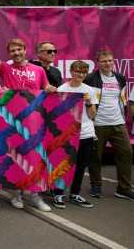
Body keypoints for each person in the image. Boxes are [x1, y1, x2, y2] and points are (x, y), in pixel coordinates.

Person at [0, 12, 54, 212]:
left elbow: (45, 88)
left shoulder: (38, 70)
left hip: (35, 120)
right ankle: (17, 194)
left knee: (35, 157)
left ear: (24, 50)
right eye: (12, 50)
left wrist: (50, 89)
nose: (15, 53)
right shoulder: (5, 69)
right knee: (16, 157)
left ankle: (36, 195)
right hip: (13, 122)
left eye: (18, 49)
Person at [84, 49, 134, 200]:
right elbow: (87, 101)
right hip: (98, 123)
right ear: (98, 63)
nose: (108, 64)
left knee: (126, 154)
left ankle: (123, 188)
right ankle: (96, 185)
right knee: (95, 157)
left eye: (110, 61)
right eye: (104, 61)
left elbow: (123, 98)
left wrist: (125, 115)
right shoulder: (91, 78)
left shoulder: (120, 78)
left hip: (118, 123)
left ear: (113, 62)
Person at [52, 61, 97, 209]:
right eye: (77, 71)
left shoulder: (89, 90)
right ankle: (58, 193)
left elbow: (92, 116)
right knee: (64, 165)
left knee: (80, 166)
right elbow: (57, 114)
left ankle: (75, 194)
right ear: (71, 72)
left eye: (84, 72)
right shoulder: (62, 89)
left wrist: (88, 102)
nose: (80, 75)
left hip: (86, 134)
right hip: (68, 135)